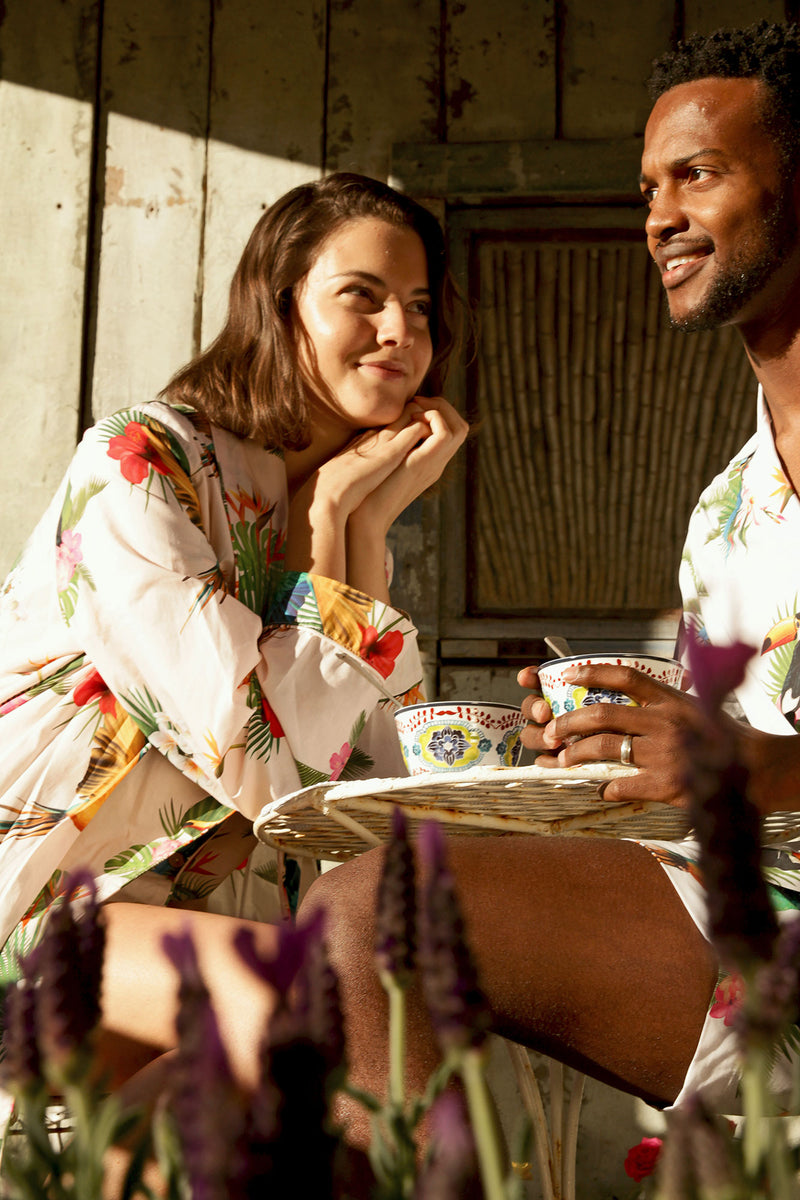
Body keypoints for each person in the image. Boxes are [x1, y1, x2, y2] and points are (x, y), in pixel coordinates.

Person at [303, 19, 800, 1142]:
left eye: (697, 173)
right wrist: (622, 743)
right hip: (733, 914)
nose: (658, 217)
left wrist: (760, 766)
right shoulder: (724, 512)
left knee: (377, 914)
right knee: (365, 938)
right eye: (645, 189)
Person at [0, 172, 468, 1101]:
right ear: (279, 301)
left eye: (418, 306)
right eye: (361, 297)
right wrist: (333, 526)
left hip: (200, 930)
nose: (398, 332)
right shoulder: (143, 461)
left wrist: (358, 529)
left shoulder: (331, 508)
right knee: (330, 1012)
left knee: (391, 1032)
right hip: (46, 911)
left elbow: (374, 787)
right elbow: (261, 757)